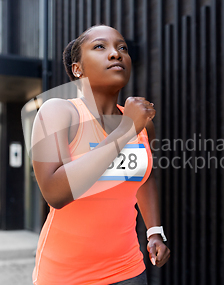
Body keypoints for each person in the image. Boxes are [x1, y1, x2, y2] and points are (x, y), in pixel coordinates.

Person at [31, 24, 170, 285]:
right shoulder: (59, 112)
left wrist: (154, 231)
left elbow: (144, 178)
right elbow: (54, 192)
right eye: (99, 47)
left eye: (122, 48)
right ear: (77, 69)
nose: (116, 53)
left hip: (129, 269)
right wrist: (125, 131)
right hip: (66, 276)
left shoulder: (141, 124)